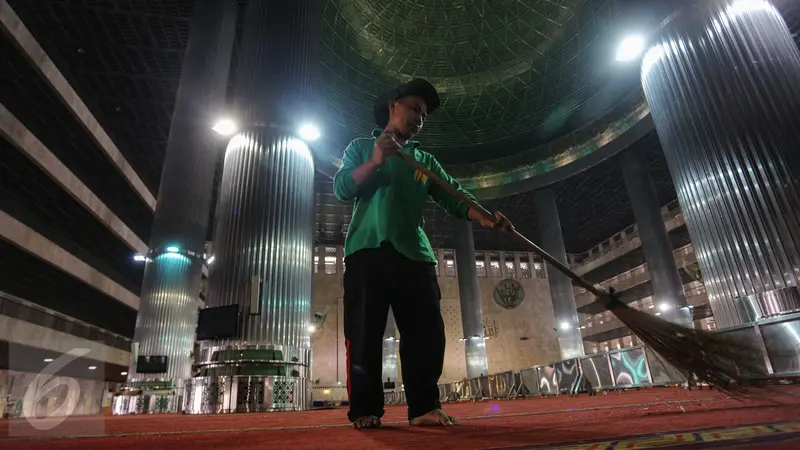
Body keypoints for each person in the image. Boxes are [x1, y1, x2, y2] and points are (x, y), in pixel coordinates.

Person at [333, 79, 511, 429]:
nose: (419, 119)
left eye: (424, 116)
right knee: (364, 333)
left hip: (415, 256)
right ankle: (365, 409)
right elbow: (343, 188)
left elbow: (455, 197)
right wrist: (375, 159)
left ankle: (424, 407)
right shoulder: (360, 147)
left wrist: (489, 219)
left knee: (426, 334)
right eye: (414, 108)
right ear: (392, 106)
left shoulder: (424, 161)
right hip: (367, 252)